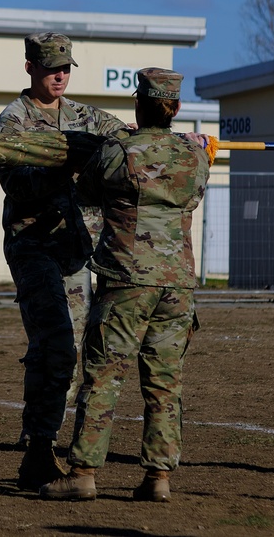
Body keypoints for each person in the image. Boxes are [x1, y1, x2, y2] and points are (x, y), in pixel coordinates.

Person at [40, 67, 211, 502]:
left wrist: (128, 144)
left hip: (125, 280)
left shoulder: (118, 150)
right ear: (175, 108)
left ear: (139, 103)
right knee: (164, 383)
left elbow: (90, 191)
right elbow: (195, 194)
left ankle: (83, 473)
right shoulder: (195, 156)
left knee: (102, 378)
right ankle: (158, 478)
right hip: (177, 285)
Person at [0, 32, 129, 490]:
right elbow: (18, 183)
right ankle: (38, 445)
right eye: (52, 68)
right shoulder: (13, 120)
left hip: (73, 249)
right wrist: (67, 162)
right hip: (33, 247)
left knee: (70, 351)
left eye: (66, 68)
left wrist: (179, 140)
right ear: (29, 66)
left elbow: (130, 140)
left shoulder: (85, 116)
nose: (60, 76)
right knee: (53, 340)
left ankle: (44, 434)